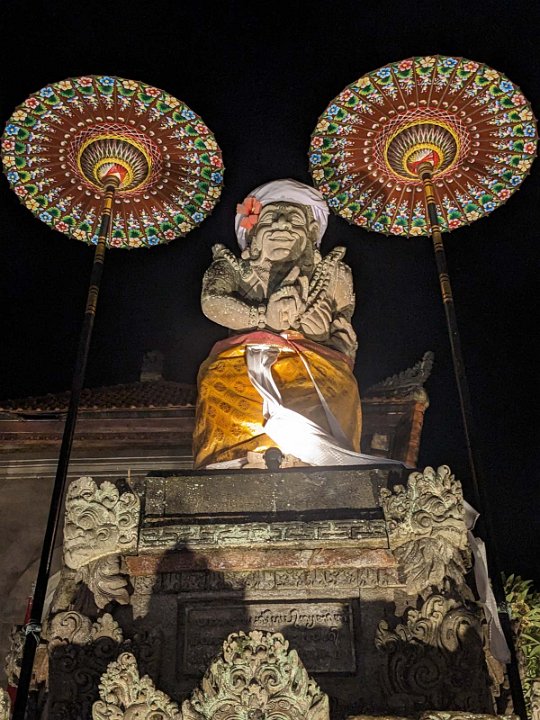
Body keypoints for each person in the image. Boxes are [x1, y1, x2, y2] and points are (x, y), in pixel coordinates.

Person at [193, 179, 392, 469]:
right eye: (271, 218)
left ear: (311, 232)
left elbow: (343, 323)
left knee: (340, 386)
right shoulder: (231, 267)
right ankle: (236, 460)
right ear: (253, 232)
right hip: (242, 361)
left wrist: (321, 335)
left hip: (317, 362)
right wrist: (263, 317)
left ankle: (309, 461)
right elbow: (211, 301)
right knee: (215, 380)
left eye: (294, 219)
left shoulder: (334, 273)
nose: (282, 225)